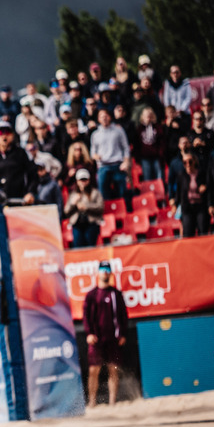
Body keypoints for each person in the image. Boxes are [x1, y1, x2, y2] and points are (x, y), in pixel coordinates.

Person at [82, 262, 128, 407]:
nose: (105, 272)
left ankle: (112, 402)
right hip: (96, 339)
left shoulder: (116, 294)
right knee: (93, 370)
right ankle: (92, 402)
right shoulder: (91, 295)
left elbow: (123, 316)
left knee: (113, 369)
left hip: (113, 338)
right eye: (102, 269)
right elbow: (86, 316)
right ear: (98, 273)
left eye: (107, 269)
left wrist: (122, 334)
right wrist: (89, 333)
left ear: (111, 273)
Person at [90, 108, 132, 205]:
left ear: (109, 117)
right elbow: (92, 152)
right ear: (98, 119)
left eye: (106, 116)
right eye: (101, 117)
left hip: (118, 165)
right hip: (103, 166)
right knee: (104, 195)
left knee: (122, 194)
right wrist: (96, 156)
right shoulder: (95, 134)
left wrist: (126, 162)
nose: (104, 118)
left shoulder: (118, 130)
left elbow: (126, 148)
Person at [62, 169, 104, 248]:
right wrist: (73, 204)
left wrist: (86, 207)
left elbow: (100, 208)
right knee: (78, 247)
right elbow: (66, 211)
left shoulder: (95, 193)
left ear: (88, 180)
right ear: (77, 181)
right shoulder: (73, 194)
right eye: (81, 180)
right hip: (77, 224)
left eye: (85, 180)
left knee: (91, 247)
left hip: (91, 223)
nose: (83, 182)